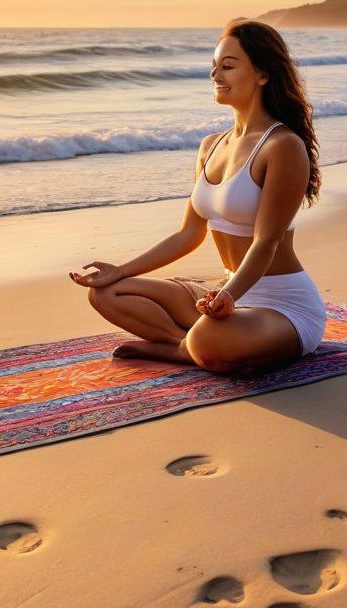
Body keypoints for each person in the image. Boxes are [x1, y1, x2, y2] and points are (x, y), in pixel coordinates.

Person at [69, 19, 327, 374]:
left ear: (263, 74)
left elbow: (266, 241)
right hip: (225, 294)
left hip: (279, 305)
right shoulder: (210, 145)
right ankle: (184, 345)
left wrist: (229, 296)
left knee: (209, 340)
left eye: (228, 66)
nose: (215, 75)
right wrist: (120, 270)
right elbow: (188, 234)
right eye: (214, 66)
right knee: (107, 293)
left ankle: (189, 347)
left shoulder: (282, 146)